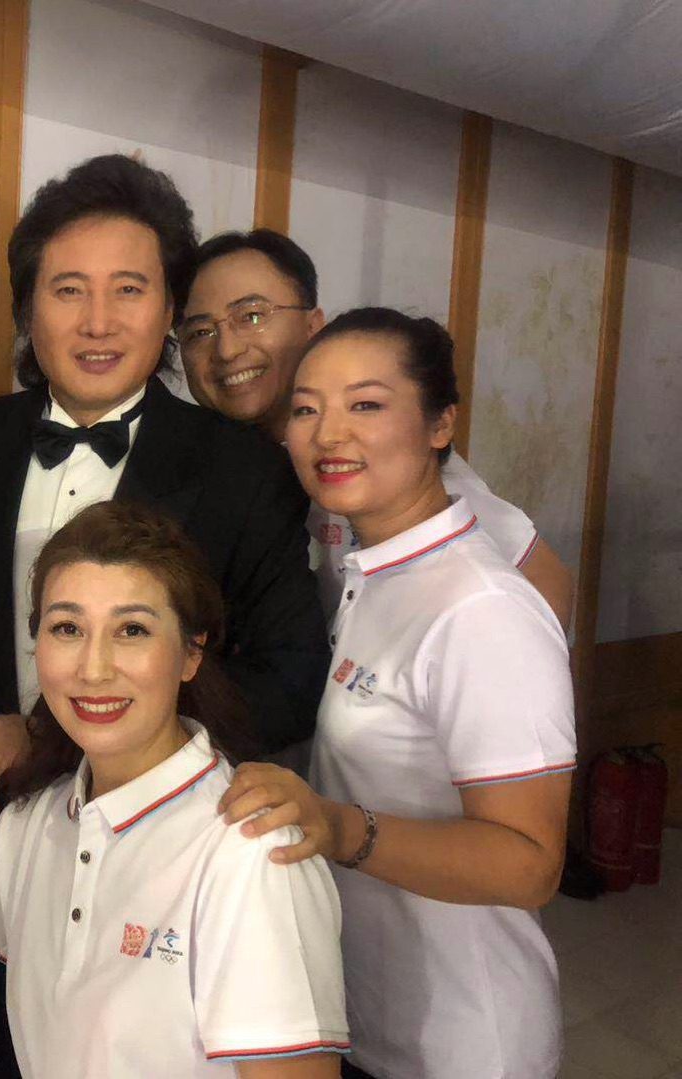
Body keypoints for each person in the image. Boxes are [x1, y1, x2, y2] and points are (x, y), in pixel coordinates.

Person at [0, 154, 329, 1076]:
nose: (97, 321)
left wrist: (61, 739)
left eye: (128, 289)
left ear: (167, 307)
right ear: (27, 308)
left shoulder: (242, 469)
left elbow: (291, 674)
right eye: (68, 290)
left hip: (160, 862)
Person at [0, 501, 350, 1078]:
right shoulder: (37, 821)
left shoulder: (251, 850)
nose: (94, 669)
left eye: (132, 630)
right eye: (67, 628)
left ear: (191, 652)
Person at [219, 309, 575, 1079]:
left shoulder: (479, 607)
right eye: (306, 408)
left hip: (462, 1040)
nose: (328, 433)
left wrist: (339, 827)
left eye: (366, 404)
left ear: (440, 423)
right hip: (369, 1013)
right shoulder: (368, 572)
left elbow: (528, 864)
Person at [177, 228, 575, 627]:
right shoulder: (210, 465)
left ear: (313, 325)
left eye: (252, 316)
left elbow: (545, 583)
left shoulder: (396, 466)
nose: (227, 349)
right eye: (199, 332)